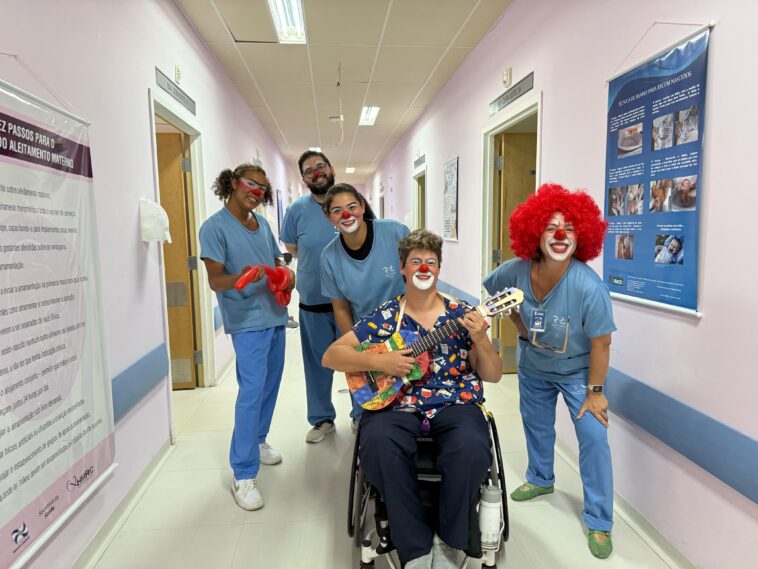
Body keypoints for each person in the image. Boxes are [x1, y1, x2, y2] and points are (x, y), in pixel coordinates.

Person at [322, 229, 503, 569]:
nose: (423, 268)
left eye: (430, 262)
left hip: (455, 402)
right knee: (378, 445)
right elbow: (331, 356)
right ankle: (416, 548)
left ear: (439, 269)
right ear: (402, 268)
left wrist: (480, 339)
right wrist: (381, 362)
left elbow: (492, 374)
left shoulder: (462, 313)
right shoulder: (386, 315)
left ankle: (449, 541)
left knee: (471, 446)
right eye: (415, 261)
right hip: (396, 404)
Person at [483, 183, 616, 559]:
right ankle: (540, 478)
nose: (560, 235)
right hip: (534, 366)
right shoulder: (517, 270)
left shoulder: (589, 287)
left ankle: (599, 520)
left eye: (569, 228)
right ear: (535, 233)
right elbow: (494, 291)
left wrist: (595, 392)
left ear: (582, 236)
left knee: (594, 439)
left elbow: (601, 343)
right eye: (551, 227)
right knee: (537, 426)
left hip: (578, 374)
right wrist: (518, 324)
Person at [199, 163, 295, 511]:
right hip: (246, 320)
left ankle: (258, 440)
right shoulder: (214, 228)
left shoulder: (262, 225)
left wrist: (284, 273)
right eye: (250, 184)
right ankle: (243, 472)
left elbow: (276, 259)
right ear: (232, 183)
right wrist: (241, 277)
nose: (256, 192)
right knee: (252, 391)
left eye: (262, 188)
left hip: (274, 314)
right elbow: (215, 280)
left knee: (270, 385)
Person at [320, 184, 410, 426]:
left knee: (410, 397)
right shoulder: (329, 257)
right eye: (337, 210)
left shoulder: (394, 233)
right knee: (370, 408)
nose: (346, 214)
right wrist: (359, 352)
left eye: (352, 206)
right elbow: (340, 307)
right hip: (367, 336)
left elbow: (419, 276)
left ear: (362, 206)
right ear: (328, 217)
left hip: (407, 330)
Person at [280, 150, 343, 444]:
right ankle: (321, 419)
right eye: (309, 170)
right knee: (317, 363)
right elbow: (293, 248)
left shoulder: (349, 201)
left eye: (321, 166)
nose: (317, 173)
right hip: (314, 301)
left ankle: (363, 414)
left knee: (361, 360)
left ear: (331, 169)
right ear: (304, 179)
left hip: (351, 301)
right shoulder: (297, 210)